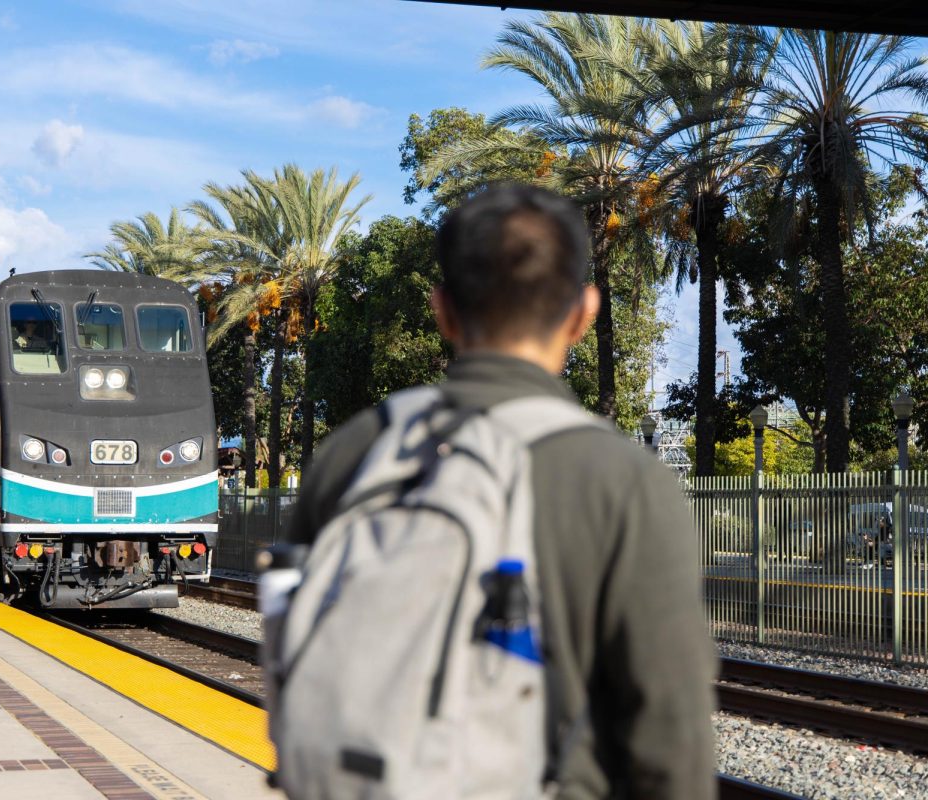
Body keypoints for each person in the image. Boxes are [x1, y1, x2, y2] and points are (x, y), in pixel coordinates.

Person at [287, 183, 716, 799]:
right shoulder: (624, 480)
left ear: (442, 310)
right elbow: (668, 741)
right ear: (582, 313)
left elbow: (293, 654)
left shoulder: (355, 454)